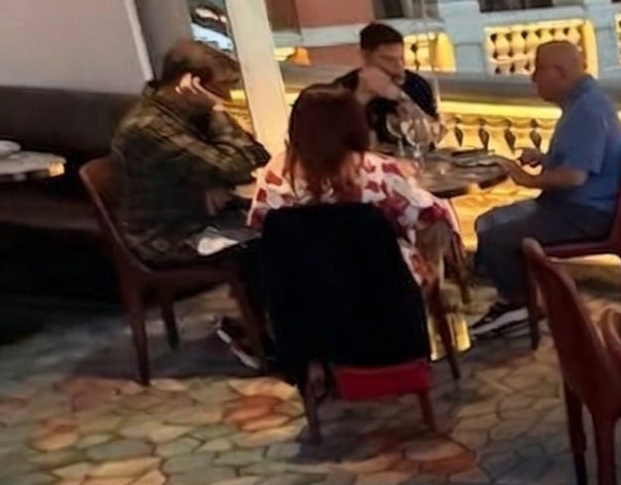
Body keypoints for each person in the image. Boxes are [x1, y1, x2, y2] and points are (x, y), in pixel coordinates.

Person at [110, 40, 272, 365]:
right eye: (222, 88)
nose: (226, 98)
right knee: (273, 240)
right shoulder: (149, 127)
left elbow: (257, 154)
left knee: (285, 227)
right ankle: (263, 337)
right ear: (190, 83)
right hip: (170, 235)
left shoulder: (184, 114)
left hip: (199, 216)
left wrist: (214, 179)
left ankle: (268, 326)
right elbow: (232, 165)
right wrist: (218, 115)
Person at [467, 40, 621, 337]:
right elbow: (583, 162)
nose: (533, 78)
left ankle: (518, 306)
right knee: (487, 222)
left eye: (538, 69)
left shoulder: (587, 110)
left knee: (495, 238)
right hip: (576, 206)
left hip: (584, 214)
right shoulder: (585, 101)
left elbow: (574, 177)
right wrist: (545, 159)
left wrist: (525, 178)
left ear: (561, 72)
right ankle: (523, 298)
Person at [248, 85, 458, 290]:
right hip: (381, 287)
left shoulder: (273, 176)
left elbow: (260, 225)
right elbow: (432, 216)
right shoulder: (377, 171)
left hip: (301, 290)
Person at [333, 22, 439, 149]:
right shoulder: (341, 88)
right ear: (365, 56)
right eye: (389, 60)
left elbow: (431, 135)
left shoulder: (416, 84)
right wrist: (362, 95)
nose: (399, 67)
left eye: (401, 59)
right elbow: (332, 137)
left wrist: (403, 99)